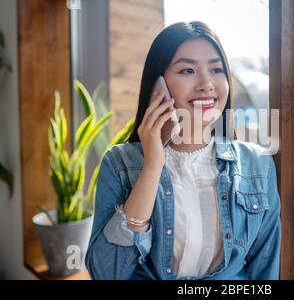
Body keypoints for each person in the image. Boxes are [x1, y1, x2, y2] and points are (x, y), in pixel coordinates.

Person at [85, 21, 281, 280]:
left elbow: (265, 271)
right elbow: (105, 273)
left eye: (216, 69)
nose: (206, 83)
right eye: (188, 70)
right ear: (158, 85)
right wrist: (153, 166)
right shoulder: (120, 164)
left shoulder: (257, 164)